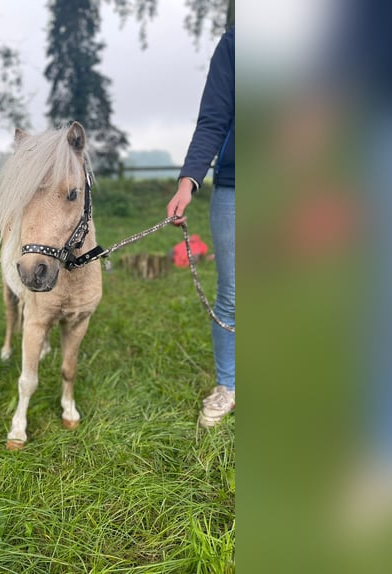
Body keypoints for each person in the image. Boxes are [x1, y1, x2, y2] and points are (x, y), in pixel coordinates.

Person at [166, 26, 235, 428]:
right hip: (236, 187)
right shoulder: (236, 44)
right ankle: (228, 385)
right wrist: (188, 181)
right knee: (232, 294)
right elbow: (213, 118)